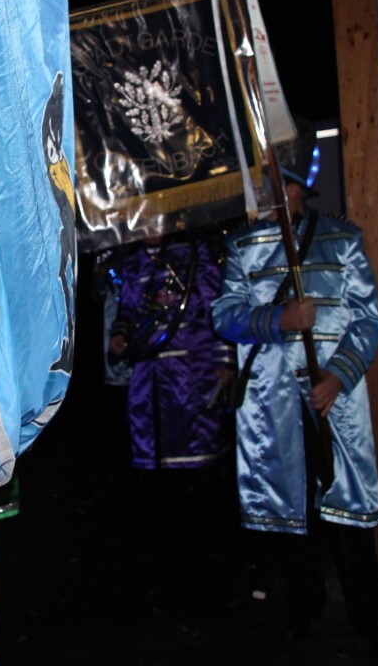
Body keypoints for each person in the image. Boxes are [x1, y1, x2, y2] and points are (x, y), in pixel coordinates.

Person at [210, 126, 378, 657]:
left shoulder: (344, 240)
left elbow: (368, 321)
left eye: (281, 185)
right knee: (289, 517)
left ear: (297, 190)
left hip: (335, 401)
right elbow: (224, 318)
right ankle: (303, 604)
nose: (272, 194)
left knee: (349, 513)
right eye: (267, 185)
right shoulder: (242, 247)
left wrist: (337, 377)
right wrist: (278, 320)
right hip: (272, 405)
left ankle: (369, 614)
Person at [107, 230, 236, 545]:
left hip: (193, 376)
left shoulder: (197, 255)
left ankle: (207, 540)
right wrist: (120, 335)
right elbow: (127, 311)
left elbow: (216, 310)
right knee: (152, 465)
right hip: (149, 379)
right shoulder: (134, 263)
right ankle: (159, 541)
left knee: (199, 463)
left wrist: (224, 360)